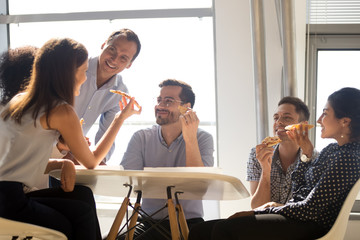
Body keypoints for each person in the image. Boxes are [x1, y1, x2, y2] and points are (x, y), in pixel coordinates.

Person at [0, 38, 141, 240]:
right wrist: (120, 118)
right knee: (76, 217)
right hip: (10, 201)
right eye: (84, 71)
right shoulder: (61, 110)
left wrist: (61, 162)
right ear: (68, 74)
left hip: (8, 194)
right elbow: (91, 162)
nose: (85, 79)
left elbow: (14, 162)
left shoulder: (20, 100)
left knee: (82, 196)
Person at [188, 87, 360, 240]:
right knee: (200, 231)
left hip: (311, 225)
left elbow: (310, 209)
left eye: (325, 113)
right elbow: (300, 188)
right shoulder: (332, 150)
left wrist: (268, 209)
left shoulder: (349, 158)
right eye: (276, 117)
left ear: (345, 121)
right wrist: (306, 154)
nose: (319, 120)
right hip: (296, 217)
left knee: (224, 229)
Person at [119, 79, 214, 239]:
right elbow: (127, 182)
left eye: (168, 101)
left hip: (188, 223)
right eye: (159, 100)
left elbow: (199, 186)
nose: (160, 106)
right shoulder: (141, 138)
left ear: (186, 107)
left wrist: (190, 138)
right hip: (147, 222)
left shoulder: (203, 139)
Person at [58, 28, 141, 163]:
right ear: (103, 45)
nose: (114, 59)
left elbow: (107, 134)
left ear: (129, 65)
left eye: (123, 58)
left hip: (73, 157)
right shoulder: (73, 68)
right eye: (112, 49)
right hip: (44, 143)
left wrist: (99, 163)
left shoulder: (119, 93)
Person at [247, 96, 318, 208]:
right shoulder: (257, 155)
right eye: (276, 118)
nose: (278, 122)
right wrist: (266, 171)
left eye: (287, 118)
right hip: (264, 223)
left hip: (297, 224)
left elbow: (310, 208)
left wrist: (278, 207)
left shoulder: (314, 159)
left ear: (303, 125)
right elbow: (257, 207)